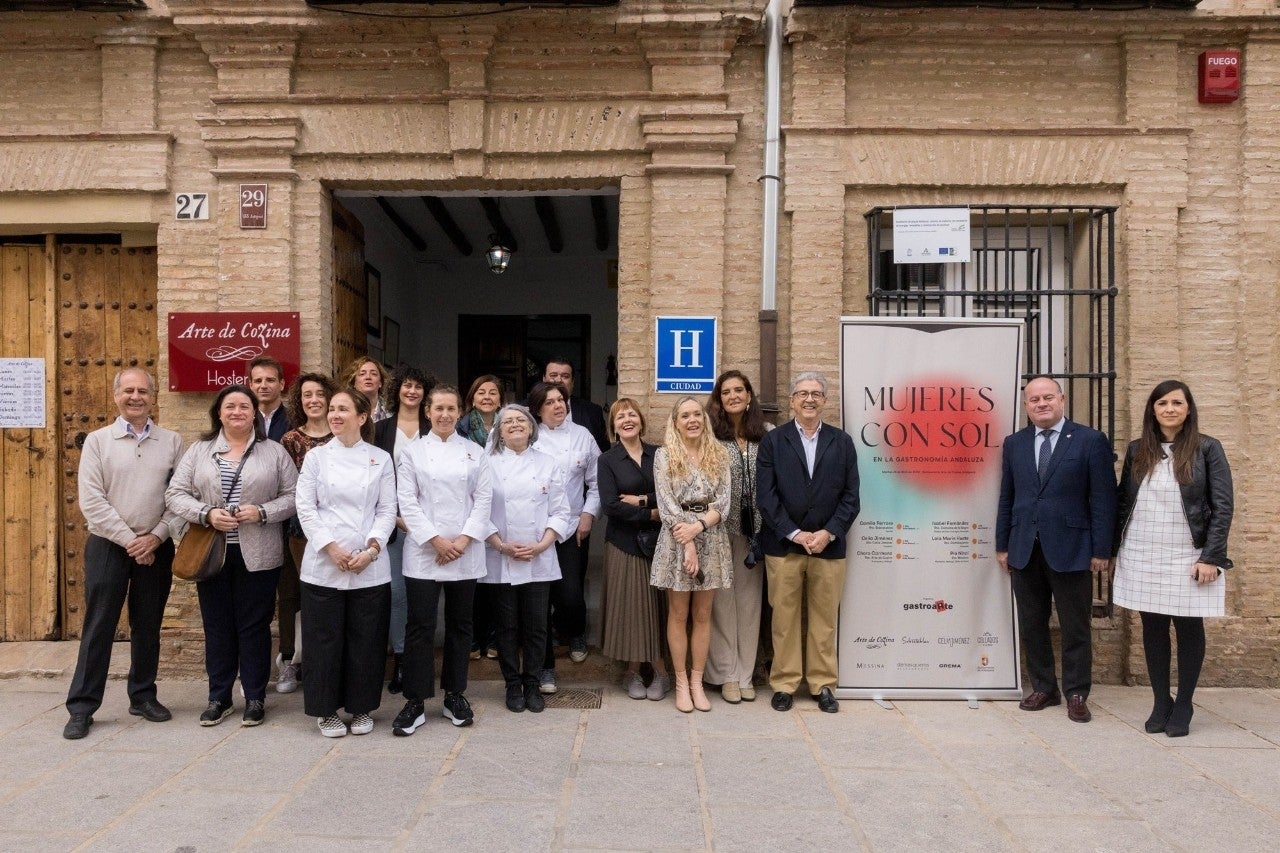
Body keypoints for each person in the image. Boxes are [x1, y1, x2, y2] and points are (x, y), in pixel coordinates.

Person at [63, 368, 185, 740]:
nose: (136, 396)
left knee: (148, 624)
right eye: (128, 390)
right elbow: (91, 500)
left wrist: (157, 536)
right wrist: (130, 540)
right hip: (108, 546)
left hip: (155, 546)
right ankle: (82, 707)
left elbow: (179, 496)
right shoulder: (99, 441)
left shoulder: (171, 441)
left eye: (143, 391)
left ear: (153, 396)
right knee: (99, 625)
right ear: (116, 395)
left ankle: (143, 695)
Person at [166, 385, 298, 727]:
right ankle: (219, 697)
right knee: (218, 626)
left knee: (254, 627)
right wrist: (206, 513)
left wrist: (263, 512)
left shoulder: (274, 452)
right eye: (230, 406)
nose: (237, 411)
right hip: (213, 553)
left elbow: (295, 496)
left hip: (259, 553)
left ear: (254, 412)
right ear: (219, 413)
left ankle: (255, 696)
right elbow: (175, 494)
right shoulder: (200, 450)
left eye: (244, 406)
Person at [1112, 380, 1233, 737]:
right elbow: (1124, 502)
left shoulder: (1208, 448)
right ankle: (1161, 700)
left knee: (1188, 626)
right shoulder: (1138, 451)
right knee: (1152, 627)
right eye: (1162, 403)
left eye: (1177, 403)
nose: (1169, 409)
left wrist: (1211, 556)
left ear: (1188, 409)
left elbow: (1223, 506)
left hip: (1189, 553)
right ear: (1152, 409)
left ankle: (1184, 703)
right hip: (1143, 550)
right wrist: (1114, 550)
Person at [996, 375, 1116, 724]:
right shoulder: (1014, 443)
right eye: (1034, 400)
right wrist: (1003, 544)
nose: (1042, 404)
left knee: (1075, 625)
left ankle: (1077, 693)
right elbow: (1008, 496)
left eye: (1048, 397)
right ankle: (1044, 687)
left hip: (1073, 548)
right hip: (1024, 547)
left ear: (1061, 400)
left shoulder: (1089, 440)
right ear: (1026, 406)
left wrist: (1101, 549)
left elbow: (1103, 499)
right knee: (1032, 623)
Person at [295, 388, 397, 737]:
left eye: (343, 409)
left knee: (366, 640)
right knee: (324, 640)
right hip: (324, 565)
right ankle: (326, 711)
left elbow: (386, 510)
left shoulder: (380, 459)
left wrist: (371, 550)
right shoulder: (316, 458)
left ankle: (362, 707)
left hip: (370, 566)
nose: (334, 415)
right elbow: (306, 508)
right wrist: (331, 548)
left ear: (363, 417)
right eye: (332, 409)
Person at [392, 384, 493, 735]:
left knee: (460, 625)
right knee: (419, 626)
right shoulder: (413, 453)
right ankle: (416, 700)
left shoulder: (475, 452)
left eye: (451, 409)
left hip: (464, 552)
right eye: (439, 409)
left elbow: (483, 500)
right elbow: (407, 501)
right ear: (428, 412)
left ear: (459, 413)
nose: (445, 415)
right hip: (424, 551)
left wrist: (461, 541)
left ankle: (455, 694)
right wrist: (436, 541)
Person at [757, 372, 860, 714]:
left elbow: (851, 496)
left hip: (828, 546)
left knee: (824, 619)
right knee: (783, 620)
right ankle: (785, 683)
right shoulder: (774, 442)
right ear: (791, 400)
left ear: (825, 401)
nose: (809, 399)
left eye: (816, 393)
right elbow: (766, 497)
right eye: (802, 393)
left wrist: (828, 532)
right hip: (784, 546)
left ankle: (823, 684)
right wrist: (795, 533)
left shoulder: (842, 442)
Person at [482, 404, 574, 713]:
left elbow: (562, 511)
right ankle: (512, 684)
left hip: (540, 556)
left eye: (521, 419)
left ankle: (532, 682)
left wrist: (542, 544)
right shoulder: (487, 463)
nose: (515, 424)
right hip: (500, 554)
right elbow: (478, 510)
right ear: (499, 431)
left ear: (532, 427)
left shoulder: (548, 463)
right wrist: (501, 545)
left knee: (537, 626)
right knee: (506, 625)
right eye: (508, 421)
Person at [651, 397, 732, 713]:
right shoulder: (664, 455)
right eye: (685, 415)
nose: (692, 419)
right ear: (675, 421)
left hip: (710, 537)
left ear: (704, 419)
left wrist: (697, 529)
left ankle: (698, 682)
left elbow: (723, 503)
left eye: (697, 414)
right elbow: (667, 503)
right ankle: (681, 683)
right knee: (679, 613)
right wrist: (686, 542)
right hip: (676, 538)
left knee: (703, 614)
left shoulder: (719, 454)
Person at [528, 380, 600, 692]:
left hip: (571, 528)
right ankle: (545, 667)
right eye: (550, 402)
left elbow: (596, 480)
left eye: (562, 400)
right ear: (538, 410)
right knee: (539, 602)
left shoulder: (582, 435)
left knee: (570, 595)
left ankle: (575, 629)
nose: (558, 406)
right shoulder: (526, 435)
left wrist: (588, 515)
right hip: (533, 530)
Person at [704, 370, 770, 703]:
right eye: (726, 391)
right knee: (720, 602)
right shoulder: (710, 435)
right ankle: (726, 674)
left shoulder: (767, 434)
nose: (733, 396)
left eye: (739, 390)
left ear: (748, 395)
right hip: (717, 528)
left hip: (754, 531)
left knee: (749, 602)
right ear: (719, 398)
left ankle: (746, 674)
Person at [597, 398, 669, 701]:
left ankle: (662, 673)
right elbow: (610, 505)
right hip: (624, 544)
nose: (626, 420)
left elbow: (670, 494)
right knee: (630, 610)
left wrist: (642, 503)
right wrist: (651, 512)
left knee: (658, 608)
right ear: (613, 426)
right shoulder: (607, 460)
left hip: (661, 544)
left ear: (641, 420)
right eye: (619, 416)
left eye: (631, 414)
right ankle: (633, 672)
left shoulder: (660, 455)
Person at [373, 365, 433, 694]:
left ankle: (421, 660)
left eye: (418, 387)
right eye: (406, 386)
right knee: (397, 594)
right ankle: (401, 658)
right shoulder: (380, 429)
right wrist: (396, 517)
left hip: (430, 526)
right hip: (394, 524)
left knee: (424, 596)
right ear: (397, 390)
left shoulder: (434, 427)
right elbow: (375, 479)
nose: (412, 391)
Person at [276, 372, 336, 695]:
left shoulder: (342, 435)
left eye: (319, 394)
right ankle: (288, 660)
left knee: (322, 595)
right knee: (290, 594)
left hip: (336, 529)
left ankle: (316, 660)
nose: (313, 400)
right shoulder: (289, 440)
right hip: (297, 528)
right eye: (306, 395)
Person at [458, 374, 504, 659]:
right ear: (472, 398)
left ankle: (496, 638)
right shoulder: (461, 427)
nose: (487, 397)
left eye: (493, 392)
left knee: (499, 581)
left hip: (502, 507)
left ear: (501, 398)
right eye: (481, 392)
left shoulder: (509, 423)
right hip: (472, 506)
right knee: (473, 581)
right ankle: (474, 639)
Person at [543, 357, 609, 451]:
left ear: (572, 382)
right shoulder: (525, 410)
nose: (558, 380)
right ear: (544, 379)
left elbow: (603, 452)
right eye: (553, 375)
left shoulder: (592, 412)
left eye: (565, 376)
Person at [249, 356, 292, 442]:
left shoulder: (295, 420)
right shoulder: (245, 420)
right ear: (250, 385)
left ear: (281, 384)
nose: (263, 386)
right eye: (258, 381)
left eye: (270, 380)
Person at [341, 356, 390, 423]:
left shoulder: (391, 412)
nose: (368, 377)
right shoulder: (343, 410)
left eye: (374, 374)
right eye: (362, 374)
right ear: (353, 383)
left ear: (380, 382)